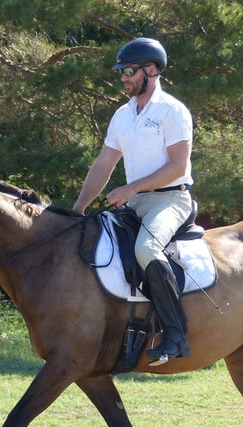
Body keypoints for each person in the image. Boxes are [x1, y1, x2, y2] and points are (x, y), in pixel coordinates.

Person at [73, 37, 194, 366]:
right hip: (136, 202)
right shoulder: (122, 116)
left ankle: (175, 333)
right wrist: (79, 208)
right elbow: (103, 165)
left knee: (146, 250)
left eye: (129, 70)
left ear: (151, 70)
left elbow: (177, 167)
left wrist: (130, 189)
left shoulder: (172, 111)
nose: (123, 77)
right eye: (122, 72)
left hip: (170, 200)